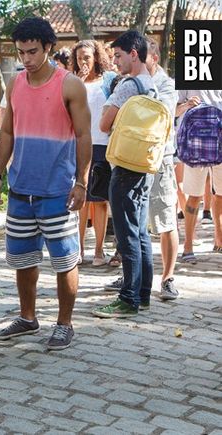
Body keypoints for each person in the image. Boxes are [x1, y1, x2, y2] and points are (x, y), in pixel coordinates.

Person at [0, 17, 91, 350]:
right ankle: (28, 318)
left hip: (58, 191)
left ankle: (64, 324)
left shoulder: (70, 85)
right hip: (21, 190)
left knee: (65, 260)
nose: (26, 59)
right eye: (21, 53)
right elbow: (7, 132)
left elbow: (83, 135)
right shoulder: (15, 84)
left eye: (32, 51)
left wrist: (82, 182)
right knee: (23, 259)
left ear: (48, 47)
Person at [92, 30, 157, 318]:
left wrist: (109, 102)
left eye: (118, 56)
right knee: (141, 231)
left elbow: (105, 124)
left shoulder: (128, 85)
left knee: (126, 233)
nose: (114, 62)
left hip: (125, 166)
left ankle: (127, 299)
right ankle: (143, 295)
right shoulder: (151, 83)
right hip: (144, 165)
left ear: (134, 53)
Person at [70, 39, 116, 267]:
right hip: (78, 145)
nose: (83, 61)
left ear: (96, 57)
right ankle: (78, 250)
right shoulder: (71, 81)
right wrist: (76, 83)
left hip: (103, 145)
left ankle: (99, 250)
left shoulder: (108, 80)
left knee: (99, 200)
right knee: (81, 199)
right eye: (79, 58)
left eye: (87, 57)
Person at [144, 36, 179, 300]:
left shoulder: (167, 85)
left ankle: (167, 278)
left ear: (154, 58)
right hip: (133, 160)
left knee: (166, 221)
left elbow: (160, 115)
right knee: (135, 222)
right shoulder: (130, 81)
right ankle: (133, 275)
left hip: (160, 160)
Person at [176, 89, 222, 262]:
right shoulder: (189, 71)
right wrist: (186, 105)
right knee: (194, 196)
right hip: (195, 144)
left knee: (221, 194)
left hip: (219, 141)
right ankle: (188, 246)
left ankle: (219, 237)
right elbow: (173, 109)